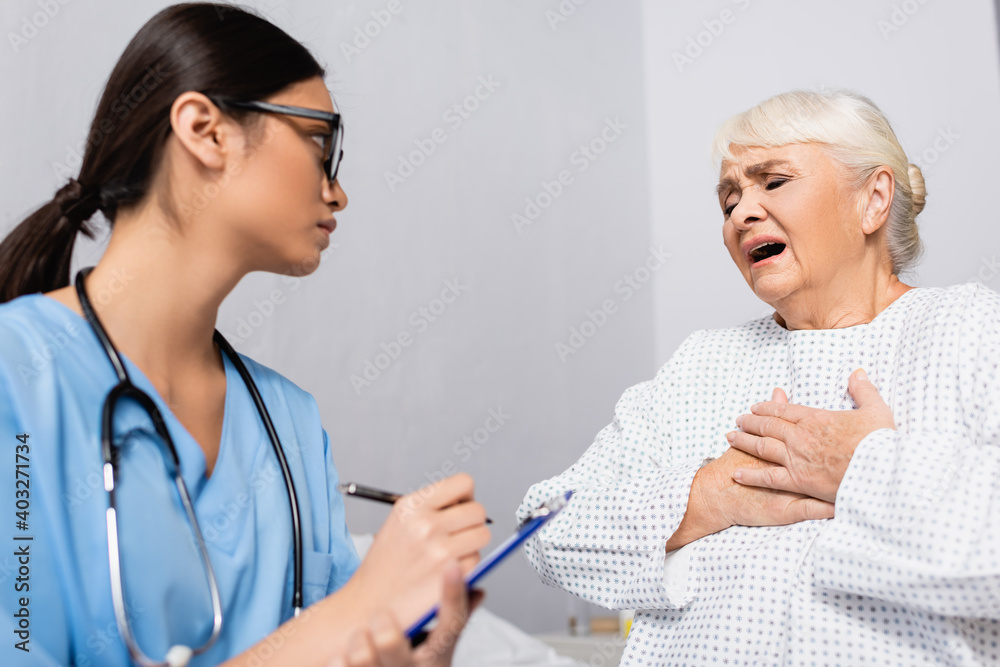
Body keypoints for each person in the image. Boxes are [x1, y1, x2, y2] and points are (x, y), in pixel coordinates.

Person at [0, 3, 489, 666]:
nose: (337, 192)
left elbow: (337, 650)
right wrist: (353, 610)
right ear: (206, 132)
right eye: (319, 143)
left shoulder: (289, 422)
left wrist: (411, 651)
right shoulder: (17, 375)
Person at [518, 88, 1000, 665]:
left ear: (872, 201)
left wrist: (863, 469)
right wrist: (709, 496)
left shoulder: (972, 329)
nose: (741, 214)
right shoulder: (701, 364)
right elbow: (544, 530)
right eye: (729, 202)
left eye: (773, 181)